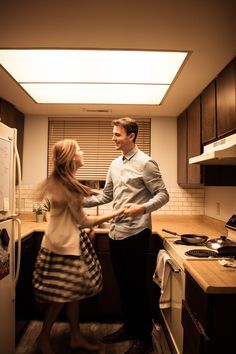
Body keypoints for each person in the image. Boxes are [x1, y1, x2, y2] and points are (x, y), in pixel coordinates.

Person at [83, 117, 169, 354]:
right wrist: (77, 202)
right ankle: (129, 328)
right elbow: (106, 196)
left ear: (131, 136)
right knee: (123, 284)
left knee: (137, 286)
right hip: (116, 232)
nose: (113, 138)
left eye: (117, 134)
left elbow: (163, 195)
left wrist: (141, 208)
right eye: (113, 134)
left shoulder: (146, 163)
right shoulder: (114, 164)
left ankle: (145, 339)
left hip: (136, 232)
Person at [33, 139, 124, 354]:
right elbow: (84, 221)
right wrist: (119, 212)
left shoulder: (65, 182)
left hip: (62, 242)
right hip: (61, 247)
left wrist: (89, 209)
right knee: (62, 296)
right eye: (79, 150)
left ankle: (74, 337)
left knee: (71, 295)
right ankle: (43, 336)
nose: (83, 152)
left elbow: (74, 214)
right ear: (72, 157)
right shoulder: (67, 187)